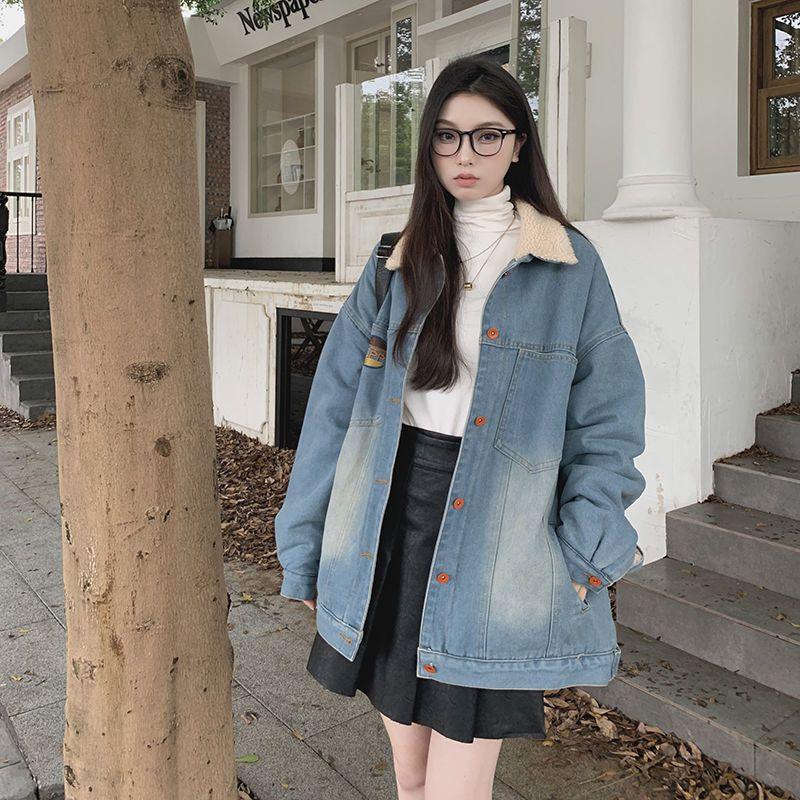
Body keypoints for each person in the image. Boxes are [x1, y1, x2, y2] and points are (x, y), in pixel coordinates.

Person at [274, 54, 646, 800]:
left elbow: (608, 420)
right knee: (410, 776)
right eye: (447, 137)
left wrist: (583, 551)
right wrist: (310, 544)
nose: (465, 155)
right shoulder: (394, 263)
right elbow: (333, 416)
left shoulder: (570, 266)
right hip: (390, 518)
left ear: (518, 145)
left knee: (457, 789)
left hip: (500, 533)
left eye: (486, 136)